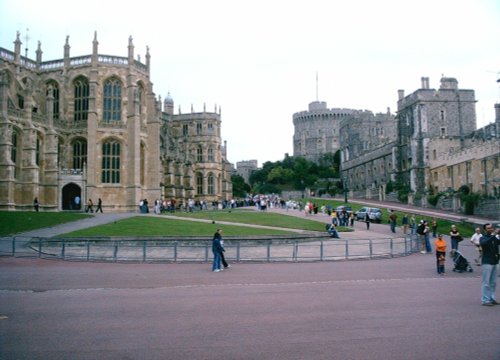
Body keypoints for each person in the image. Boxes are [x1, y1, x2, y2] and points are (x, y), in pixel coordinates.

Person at [479, 223, 500, 306]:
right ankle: (485, 300)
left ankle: (491, 298)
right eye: (488, 228)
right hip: (487, 262)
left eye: (491, 228)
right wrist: (494, 235)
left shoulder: (494, 238)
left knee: (493, 282)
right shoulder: (482, 238)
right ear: (485, 230)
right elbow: (484, 244)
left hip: (495, 261)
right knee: (486, 282)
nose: (490, 229)